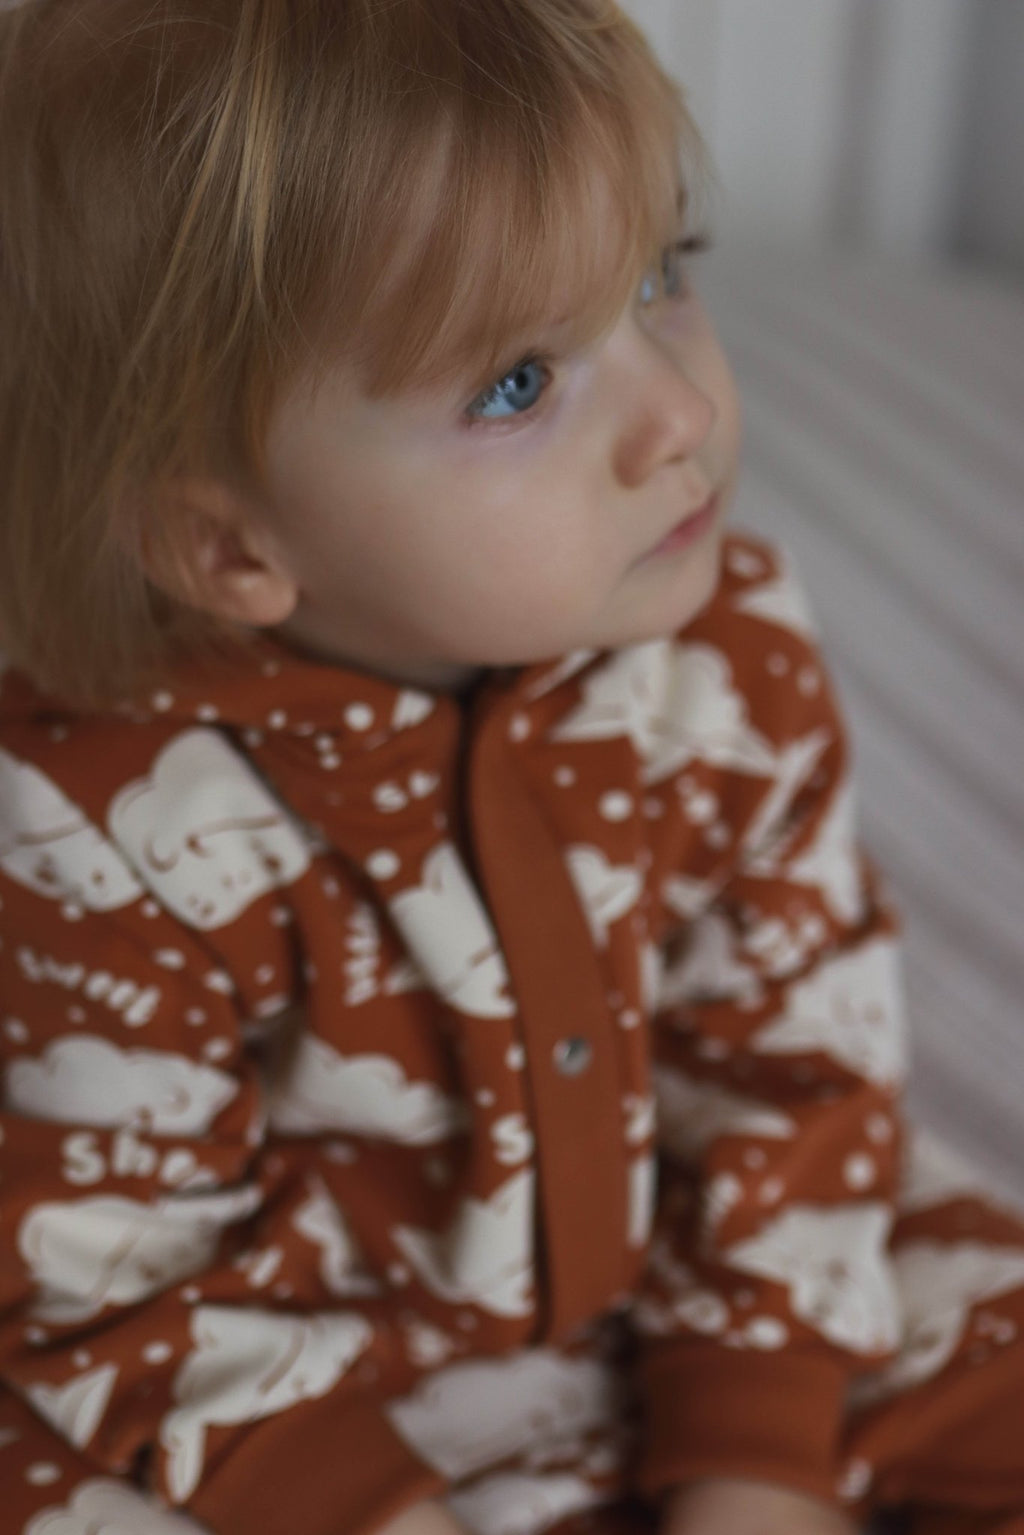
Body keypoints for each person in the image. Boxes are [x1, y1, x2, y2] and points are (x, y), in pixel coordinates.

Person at [0, 3, 1022, 1535]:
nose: (678, 414)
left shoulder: (722, 647)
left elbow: (790, 1064)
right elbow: (118, 1277)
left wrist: (756, 1470)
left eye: (658, 277)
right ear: (230, 544)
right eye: (517, 386)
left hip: (700, 1280)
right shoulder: (84, 824)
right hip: (302, 1380)